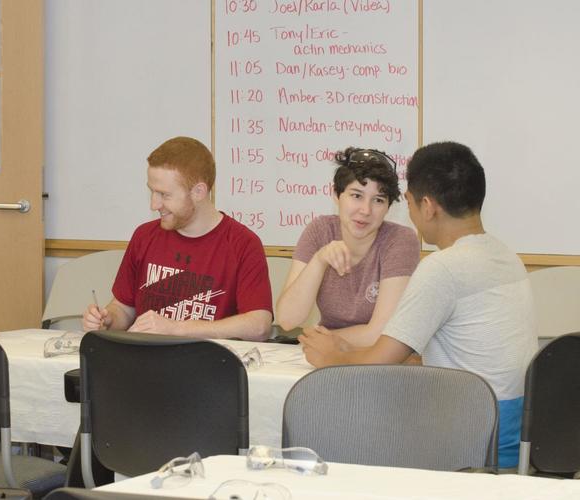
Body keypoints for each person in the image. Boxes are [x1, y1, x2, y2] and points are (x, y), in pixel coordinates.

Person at [299, 141, 538, 468]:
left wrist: (331, 358)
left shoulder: (443, 268)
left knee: (354, 437)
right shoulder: (506, 256)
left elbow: (376, 367)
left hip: (473, 441)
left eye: (408, 203)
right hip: (516, 439)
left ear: (427, 206)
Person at [82, 136, 273, 340]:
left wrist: (177, 329)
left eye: (164, 195)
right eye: (152, 192)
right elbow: (124, 308)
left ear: (199, 192)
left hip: (207, 366)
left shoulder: (242, 243)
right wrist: (108, 319)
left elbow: (259, 325)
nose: (154, 205)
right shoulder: (144, 236)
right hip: (146, 362)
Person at [276, 148, 420, 346]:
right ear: (336, 194)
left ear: (388, 207)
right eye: (356, 196)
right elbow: (287, 319)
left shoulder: (400, 240)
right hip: (325, 356)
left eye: (378, 200)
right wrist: (319, 260)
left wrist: (321, 340)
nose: (365, 210)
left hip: (380, 364)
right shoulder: (319, 231)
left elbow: (381, 334)